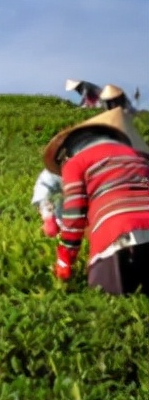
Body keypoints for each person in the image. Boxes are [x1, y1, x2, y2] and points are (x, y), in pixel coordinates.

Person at [43, 108, 149, 295]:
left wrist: (65, 260)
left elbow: (74, 216)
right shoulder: (141, 157)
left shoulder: (76, 163)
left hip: (119, 236)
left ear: (68, 152)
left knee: (104, 292)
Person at [31, 168, 64, 237]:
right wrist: (48, 217)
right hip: (53, 202)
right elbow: (42, 194)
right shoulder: (49, 175)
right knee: (51, 229)